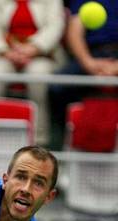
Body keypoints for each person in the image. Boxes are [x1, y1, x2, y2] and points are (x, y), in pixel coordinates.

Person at [0, 0, 67, 146]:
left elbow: (55, 27)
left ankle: (38, 142)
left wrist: (34, 48)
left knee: (39, 75)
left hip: (42, 54)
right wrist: (5, 51)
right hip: (4, 53)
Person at [48, 0, 118, 149]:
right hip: (90, 54)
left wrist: (115, 67)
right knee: (56, 87)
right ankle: (58, 147)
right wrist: (89, 63)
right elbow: (75, 30)